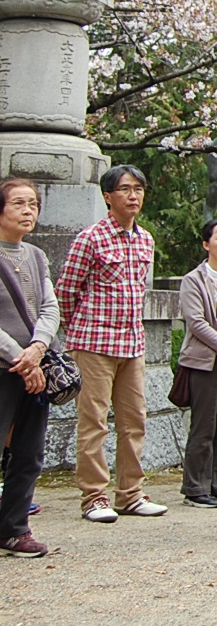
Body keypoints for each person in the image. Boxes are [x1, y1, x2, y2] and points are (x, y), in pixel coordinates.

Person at [55, 164, 166, 523]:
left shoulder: (145, 238)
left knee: (135, 420)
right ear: (108, 197)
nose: (133, 196)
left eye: (138, 189)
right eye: (124, 189)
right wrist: (80, 332)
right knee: (94, 422)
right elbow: (66, 291)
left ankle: (130, 493)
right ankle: (93, 497)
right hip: (93, 343)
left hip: (131, 342)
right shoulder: (91, 238)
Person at [0, 179, 59, 557]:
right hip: (6, 366)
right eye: (19, 203)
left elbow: (50, 307)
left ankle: (14, 528)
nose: (28, 211)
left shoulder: (36, 256)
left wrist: (37, 348)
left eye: (33, 204)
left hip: (34, 365)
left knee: (29, 451)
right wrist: (20, 357)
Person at [177, 219, 217, 508]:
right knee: (204, 425)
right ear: (206, 244)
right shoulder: (194, 280)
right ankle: (194, 486)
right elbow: (197, 323)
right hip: (205, 361)